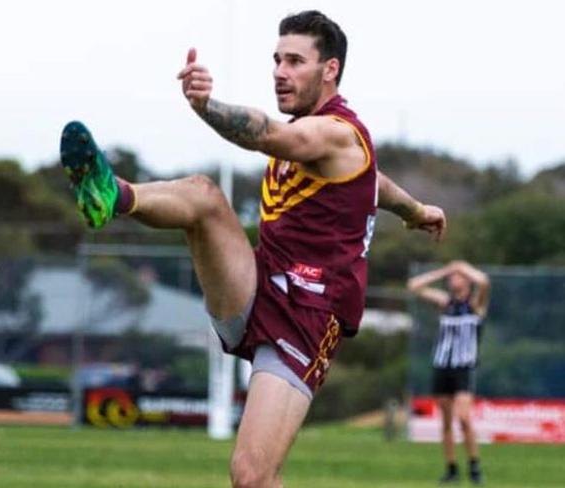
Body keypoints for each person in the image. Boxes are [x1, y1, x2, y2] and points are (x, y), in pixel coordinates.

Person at [60, 10, 446, 487]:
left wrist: (206, 106)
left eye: (296, 61)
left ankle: (115, 193)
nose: (280, 72)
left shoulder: (335, 132)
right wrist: (413, 210)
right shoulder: (331, 146)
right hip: (260, 284)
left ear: (330, 70)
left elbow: (269, 134)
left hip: (308, 315)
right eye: (277, 60)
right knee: (203, 195)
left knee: (252, 476)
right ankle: (112, 193)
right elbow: (375, 184)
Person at [407, 261, 491, 485]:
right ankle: (451, 467)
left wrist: (461, 266)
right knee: (445, 422)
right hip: (442, 366)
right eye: (452, 277)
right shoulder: (446, 303)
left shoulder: (475, 305)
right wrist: (445, 270)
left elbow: (484, 281)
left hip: (464, 368)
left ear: (466, 280)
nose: (454, 279)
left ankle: (474, 465)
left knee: (463, 418)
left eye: (459, 276)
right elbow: (414, 285)